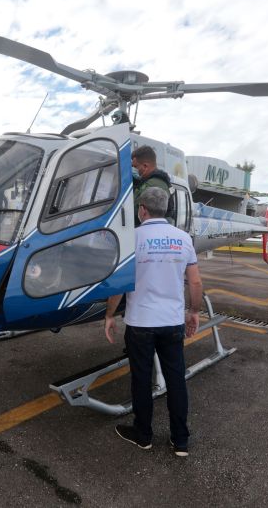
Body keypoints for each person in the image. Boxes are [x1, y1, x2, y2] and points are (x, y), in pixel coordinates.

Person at [104, 187, 202, 456]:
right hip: (172, 322)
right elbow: (195, 281)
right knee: (176, 380)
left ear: (142, 210)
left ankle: (143, 435)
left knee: (141, 380)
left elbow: (120, 284)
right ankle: (180, 440)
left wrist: (110, 315)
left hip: (141, 323)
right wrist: (194, 311)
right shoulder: (183, 238)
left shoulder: (132, 238)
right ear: (166, 209)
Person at [131, 145, 172, 226]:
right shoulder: (149, 182)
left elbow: (135, 209)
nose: (133, 169)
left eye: (135, 166)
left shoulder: (154, 185)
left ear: (145, 166)